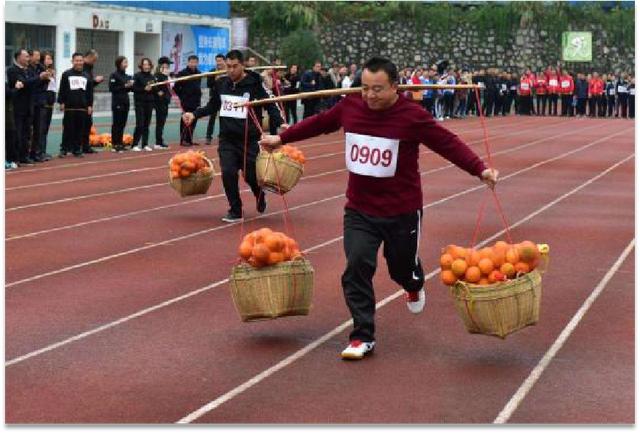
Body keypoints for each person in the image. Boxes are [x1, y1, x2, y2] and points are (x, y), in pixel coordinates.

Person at [258, 57, 498, 360]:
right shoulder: (350, 106)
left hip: (402, 210)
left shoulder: (412, 116)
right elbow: (320, 123)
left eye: (377, 89)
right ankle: (362, 335)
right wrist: (281, 138)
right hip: (359, 209)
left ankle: (413, 282)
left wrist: (480, 170)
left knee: (401, 268)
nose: (369, 96)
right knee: (357, 265)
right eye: (365, 88)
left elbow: (447, 143)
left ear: (395, 87)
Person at [182, 49, 286, 223]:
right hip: (227, 139)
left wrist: (280, 122)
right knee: (228, 173)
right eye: (228, 67)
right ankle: (235, 209)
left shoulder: (255, 83)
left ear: (243, 65)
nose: (230, 70)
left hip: (249, 139)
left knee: (251, 176)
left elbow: (270, 105)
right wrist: (194, 114)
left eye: (234, 66)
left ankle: (259, 193)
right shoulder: (221, 84)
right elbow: (212, 106)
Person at [7, 49, 50, 165]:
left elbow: (34, 85)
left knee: (26, 133)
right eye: (26, 57)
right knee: (18, 133)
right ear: (18, 58)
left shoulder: (27, 70)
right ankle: (15, 157)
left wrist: (45, 79)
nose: (28, 59)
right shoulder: (12, 70)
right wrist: (39, 77)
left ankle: (24, 156)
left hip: (29, 106)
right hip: (18, 107)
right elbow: (24, 84)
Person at [58, 52, 93, 157]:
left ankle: (77, 149)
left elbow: (89, 92)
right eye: (76, 60)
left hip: (82, 107)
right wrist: (61, 102)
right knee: (68, 129)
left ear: (83, 61)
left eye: (80, 60)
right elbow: (62, 89)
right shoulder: (66, 74)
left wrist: (90, 105)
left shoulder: (87, 75)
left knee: (79, 130)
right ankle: (64, 149)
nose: (79, 62)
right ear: (72, 61)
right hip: (69, 107)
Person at [174, 55, 202, 146]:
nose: (193, 64)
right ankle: (183, 140)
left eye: (195, 62)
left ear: (197, 63)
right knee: (185, 120)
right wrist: (182, 96)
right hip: (186, 101)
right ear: (188, 62)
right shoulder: (182, 73)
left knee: (194, 119)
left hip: (196, 101)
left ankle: (189, 139)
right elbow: (175, 87)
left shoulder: (199, 73)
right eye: (191, 62)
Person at [81, 49, 104, 154]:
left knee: (87, 124)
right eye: (94, 60)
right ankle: (77, 146)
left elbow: (89, 86)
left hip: (88, 100)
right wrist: (94, 81)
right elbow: (85, 84)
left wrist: (95, 82)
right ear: (88, 57)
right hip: (81, 100)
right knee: (81, 124)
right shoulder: (82, 68)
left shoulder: (89, 68)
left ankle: (85, 146)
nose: (94, 62)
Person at [109, 56, 133, 152]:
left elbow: (129, 89)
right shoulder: (114, 75)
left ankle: (120, 142)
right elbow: (112, 88)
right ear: (119, 63)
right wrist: (124, 86)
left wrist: (131, 85)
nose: (126, 64)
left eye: (127, 62)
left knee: (123, 123)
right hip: (117, 102)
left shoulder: (127, 76)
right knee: (117, 123)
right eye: (124, 62)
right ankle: (115, 144)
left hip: (125, 101)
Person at [131, 58, 156, 151]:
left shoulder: (152, 77)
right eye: (144, 64)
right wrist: (144, 89)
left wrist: (153, 89)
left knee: (147, 124)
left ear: (150, 66)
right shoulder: (137, 76)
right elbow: (133, 88)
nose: (146, 66)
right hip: (139, 102)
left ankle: (145, 144)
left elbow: (155, 89)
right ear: (141, 66)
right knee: (140, 124)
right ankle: (134, 144)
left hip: (150, 102)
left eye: (148, 64)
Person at [28, 49, 47, 162]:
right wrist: (40, 78)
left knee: (39, 129)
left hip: (40, 102)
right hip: (31, 102)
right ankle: (28, 153)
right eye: (36, 56)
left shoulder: (41, 67)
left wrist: (46, 78)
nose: (38, 58)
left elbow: (43, 85)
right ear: (30, 57)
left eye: (39, 56)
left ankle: (37, 153)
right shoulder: (28, 69)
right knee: (28, 130)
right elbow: (30, 84)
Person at [205, 53, 227, 145]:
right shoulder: (212, 71)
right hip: (214, 97)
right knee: (212, 117)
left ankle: (223, 136)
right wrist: (215, 79)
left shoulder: (228, 71)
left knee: (224, 118)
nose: (218, 63)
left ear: (224, 61)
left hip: (225, 98)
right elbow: (209, 85)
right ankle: (208, 137)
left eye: (220, 61)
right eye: (217, 61)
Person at [40, 51, 56, 160]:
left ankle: (43, 151)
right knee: (41, 128)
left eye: (51, 58)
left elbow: (53, 88)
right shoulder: (41, 72)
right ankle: (39, 152)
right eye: (47, 58)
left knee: (45, 129)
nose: (49, 61)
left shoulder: (51, 72)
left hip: (50, 103)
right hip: (43, 103)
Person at [154, 56, 173, 149]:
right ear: (162, 65)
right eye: (167, 64)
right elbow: (155, 86)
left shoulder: (166, 75)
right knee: (160, 122)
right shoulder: (158, 75)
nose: (168, 66)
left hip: (165, 101)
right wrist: (158, 92)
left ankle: (160, 140)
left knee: (162, 122)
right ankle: (158, 142)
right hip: (160, 102)